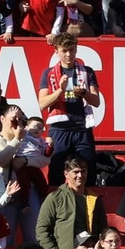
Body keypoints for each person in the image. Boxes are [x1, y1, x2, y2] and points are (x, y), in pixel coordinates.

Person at [37, 34, 99, 181]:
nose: (68, 54)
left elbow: (96, 101)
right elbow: (42, 103)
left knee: (87, 170)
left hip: (82, 128)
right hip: (59, 129)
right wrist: (60, 90)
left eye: (71, 50)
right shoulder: (49, 73)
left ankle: (86, 203)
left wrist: (84, 93)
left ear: (76, 49)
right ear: (56, 51)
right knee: (57, 171)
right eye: (64, 51)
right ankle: (57, 202)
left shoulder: (87, 71)